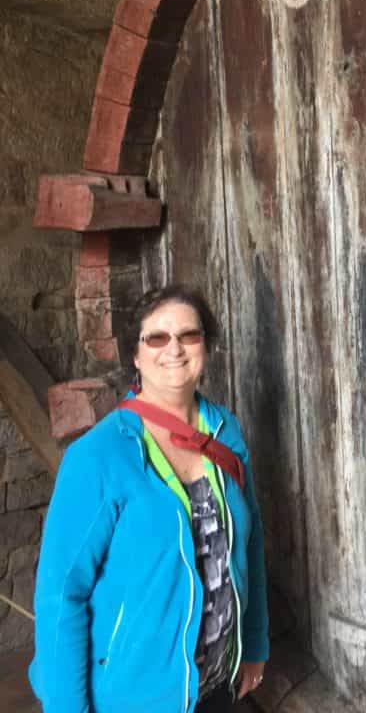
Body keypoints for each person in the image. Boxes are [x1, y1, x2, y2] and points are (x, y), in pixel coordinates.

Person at [30, 284, 269, 713]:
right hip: (132, 699)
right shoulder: (99, 456)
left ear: (205, 347)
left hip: (216, 686)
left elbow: (250, 542)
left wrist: (253, 644)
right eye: (157, 337)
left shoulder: (224, 431)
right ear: (136, 356)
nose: (174, 349)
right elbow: (61, 595)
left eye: (188, 336)